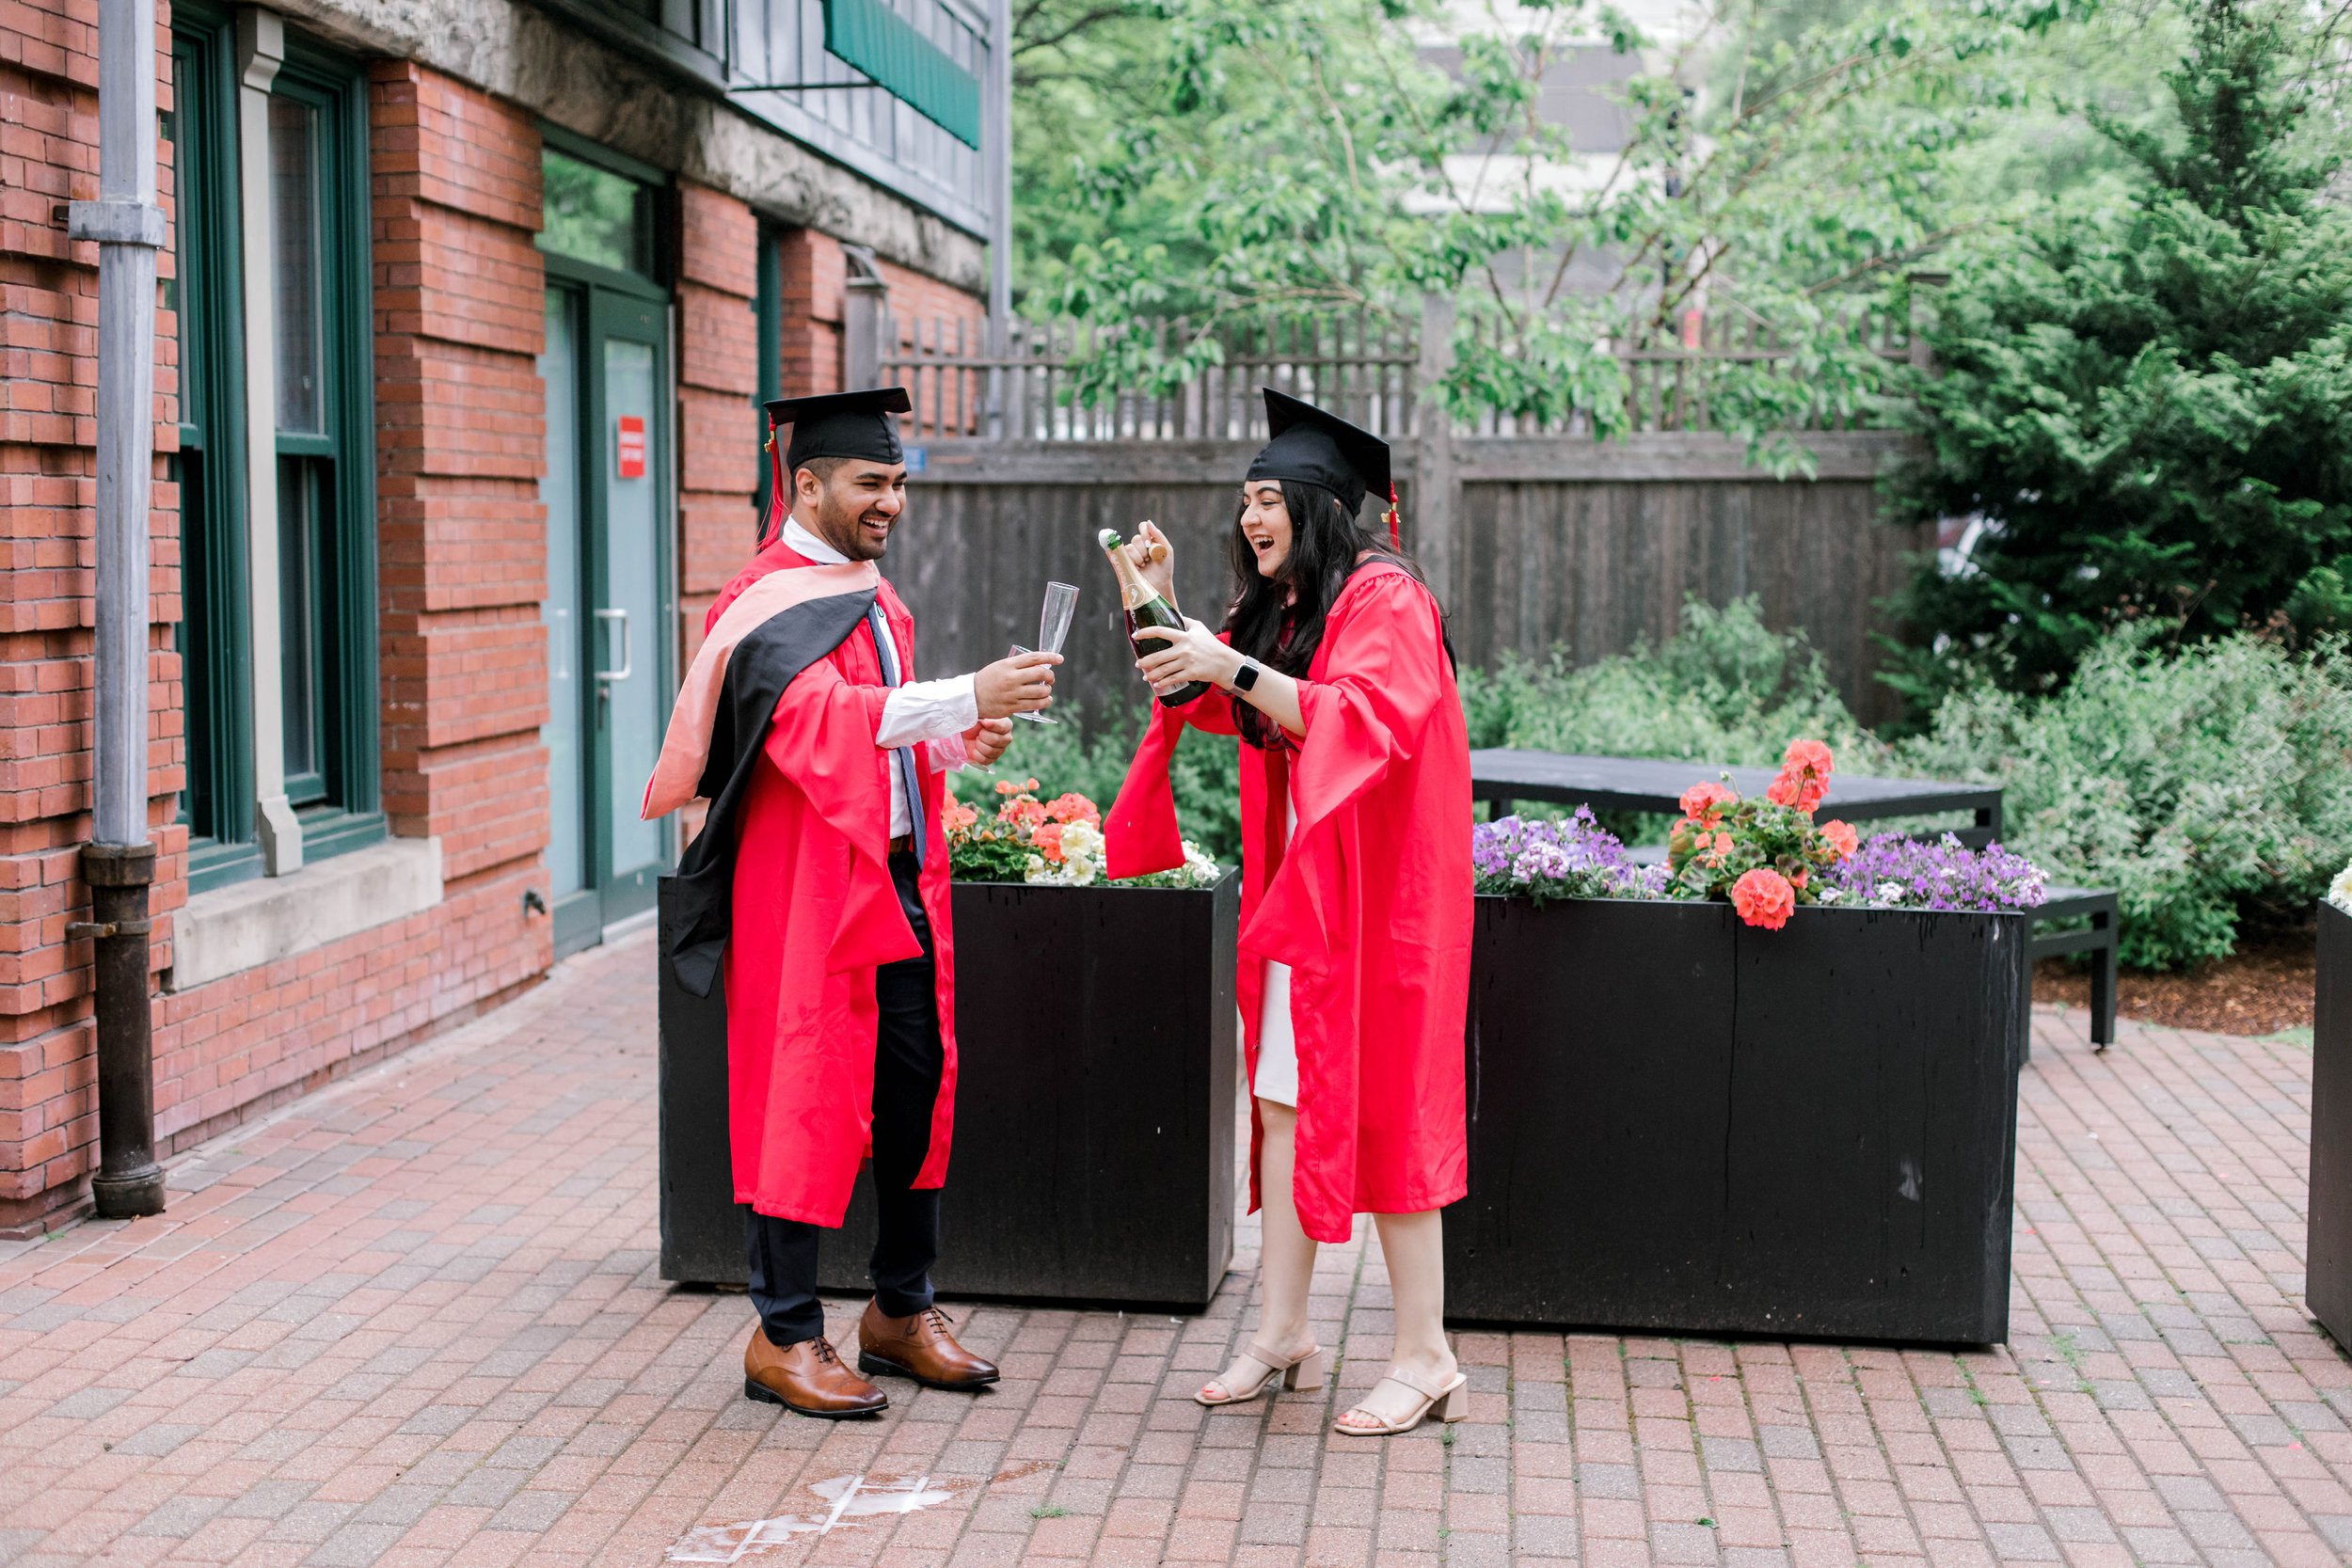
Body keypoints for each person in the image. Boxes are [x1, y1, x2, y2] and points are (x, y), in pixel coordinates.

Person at [642, 387, 1062, 1418]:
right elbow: (815, 724)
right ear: (808, 481)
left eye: (900, 483)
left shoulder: (876, 595)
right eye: (872, 482)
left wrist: (958, 738)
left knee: (916, 1089)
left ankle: (898, 1308)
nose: (891, 501)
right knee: (805, 1091)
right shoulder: (762, 603)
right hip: (808, 895)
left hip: (897, 884)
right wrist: (964, 695)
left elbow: (881, 736)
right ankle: (782, 1330)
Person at [1105, 388, 1473, 1436]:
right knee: (1278, 1104)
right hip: (1311, 897)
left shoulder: (1386, 598)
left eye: (1268, 497)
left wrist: (1233, 662)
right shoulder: (1298, 607)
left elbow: (1362, 715)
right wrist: (1162, 603)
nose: (1249, 515)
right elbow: (1219, 697)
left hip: (1386, 901)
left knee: (1396, 1108)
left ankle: (1427, 1355)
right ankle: (1282, 1333)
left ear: (1319, 505)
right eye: (1244, 498)